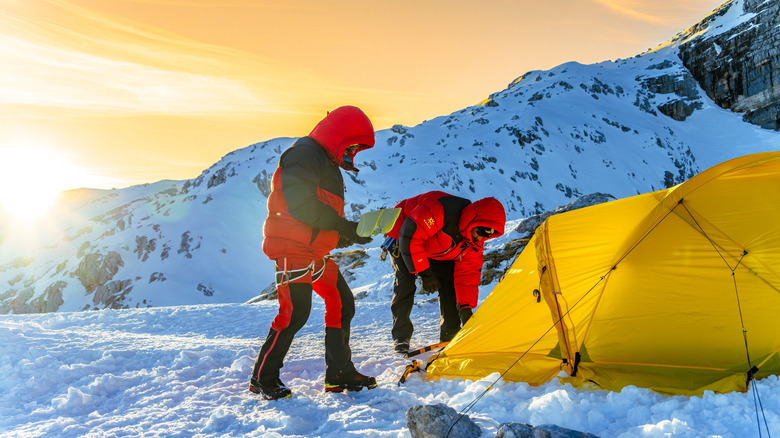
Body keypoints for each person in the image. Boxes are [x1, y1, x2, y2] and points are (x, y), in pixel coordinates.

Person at [249, 105, 377, 400]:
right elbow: (301, 203)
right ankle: (262, 378)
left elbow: (320, 211)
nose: (354, 152)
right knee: (294, 314)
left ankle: (339, 373)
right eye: (353, 145)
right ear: (340, 135)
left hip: (314, 252)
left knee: (342, 303)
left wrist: (340, 235)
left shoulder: (325, 161)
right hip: (292, 249)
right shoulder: (303, 154)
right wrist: (343, 227)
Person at [382, 191, 506, 353]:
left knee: (448, 281)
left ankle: (450, 334)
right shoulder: (440, 210)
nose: (481, 238)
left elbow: (467, 275)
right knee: (405, 282)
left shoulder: (474, 241)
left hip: (433, 244)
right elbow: (409, 235)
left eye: (489, 234)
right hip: (402, 232)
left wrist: (465, 308)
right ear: (473, 220)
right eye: (481, 231)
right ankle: (401, 336)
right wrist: (425, 273)